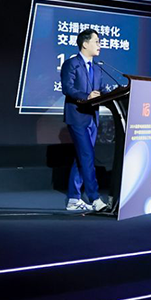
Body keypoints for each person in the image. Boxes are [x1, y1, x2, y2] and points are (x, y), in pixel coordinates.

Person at [60, 28, 109, 212]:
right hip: (77, 116)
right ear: (85, 44)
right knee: (87, 156)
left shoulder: (97, 68)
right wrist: (86, 96)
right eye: (96, 42)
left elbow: (101, 90)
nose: (100, 45)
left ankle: (73, 199)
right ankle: (95, 198)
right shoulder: (71, 64)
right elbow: (67, 88)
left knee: (82, 157)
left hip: (92, 118)